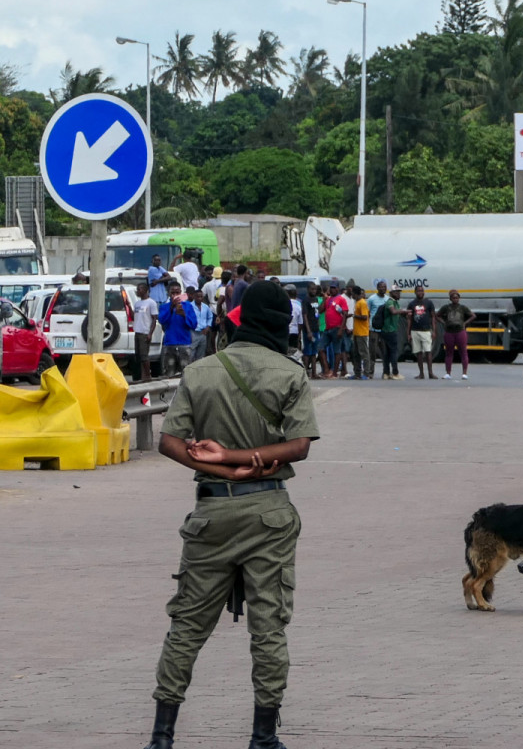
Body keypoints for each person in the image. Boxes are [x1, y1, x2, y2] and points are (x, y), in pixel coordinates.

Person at [140, 283, 319, 749]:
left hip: (211, 514)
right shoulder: (290, 373)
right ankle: (263, 738)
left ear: (239, 318)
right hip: (269, 515)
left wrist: (219, 464)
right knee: (269, 628)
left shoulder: (201, 372)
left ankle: (162, 737)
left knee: (187, 626)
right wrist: (246, 461)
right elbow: (299, 446)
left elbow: (169, 442)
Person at [155, 281, 198, 377]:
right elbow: (162, 320)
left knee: (186, 373)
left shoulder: (188, 306)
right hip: (169, 343)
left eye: (177, 293)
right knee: (169, 373)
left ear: (181, 293)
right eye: (172, 293)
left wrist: (184, 315)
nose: (175, 295)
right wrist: (171, 307)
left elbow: (194, 324)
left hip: (184, 343)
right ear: (168, 293)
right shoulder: (164, 307)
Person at [440, 289, 474, 380]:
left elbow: (473, 315)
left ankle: (464, 373)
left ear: (459, 298)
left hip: (460, 331)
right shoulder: (446, 308)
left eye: (457, 297)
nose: (455, 299)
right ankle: (448, 373)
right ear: (450, 298)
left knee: (463, 352)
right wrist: (444, 323)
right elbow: (437, 315)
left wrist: (465, 323)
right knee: (449, 353)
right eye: (453, 297)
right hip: (449, 332)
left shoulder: (462, 308)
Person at [372, 285, 402, 380]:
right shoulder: (390, 302)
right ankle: (395, 373)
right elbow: (393, 312)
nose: (398, 294)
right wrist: (404, 311)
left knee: (387, 353)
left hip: (390, 330)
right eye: (396, 292)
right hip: (389, 331)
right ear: (392, 293)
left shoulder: (395, 302)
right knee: (393, 352)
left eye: (399, 292)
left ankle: (386, 373)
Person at [407, 286, 436, 380]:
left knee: (428, 351)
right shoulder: (411, 304)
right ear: (415, 292)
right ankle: (421, 373)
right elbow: (409, 320)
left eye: (422, 291)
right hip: (415, 331)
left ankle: (431, 373)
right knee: (418, 353)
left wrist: (434, 331)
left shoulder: (429, 303)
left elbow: (433, 318)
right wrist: (408, 333)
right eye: (418, 291)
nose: (420, 292)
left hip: (426, 331)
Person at [131, 282, 158, 382]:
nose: (138, 291)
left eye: (140, 289)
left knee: (144, 356)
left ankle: (147, 375)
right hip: (137, 332)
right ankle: (140, 376)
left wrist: (150, 333)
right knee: (138, 356)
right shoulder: (137, 303)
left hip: (145, 332)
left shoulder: (151, 303)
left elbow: (154, 319)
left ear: (145, 290)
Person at [367, 282, 393, 376]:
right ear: (377, 288)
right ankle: (370, 372)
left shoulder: (388, 299)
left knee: (385, 352)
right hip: (373, 329)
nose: (383, 288)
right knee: (372, 352)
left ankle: (386, 372)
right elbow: (367, 313)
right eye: (381, 287)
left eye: (384, 287)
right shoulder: (371, 299)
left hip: (384, 330)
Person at [350, 285, 372, 380]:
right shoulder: (357, 303)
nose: (352, 296)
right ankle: (357, 373)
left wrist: (354, 316)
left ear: (355, 293)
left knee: (364, 353)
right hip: (356, 332)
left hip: (362, 332)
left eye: (352, 294)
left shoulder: (362, 303)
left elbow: (364, 317)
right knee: (356, 354)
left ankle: (366, 373)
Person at [189, 287, 214, 361]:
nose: (200, 298)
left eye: (201, 296)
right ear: (194, 297)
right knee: (191, 353)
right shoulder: (190, 306)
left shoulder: (205, 307)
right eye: (198, 296)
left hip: (203, 333)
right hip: (193, 332)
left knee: (201, 353)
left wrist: (208, 326)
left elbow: (210, 317)